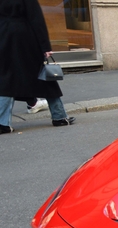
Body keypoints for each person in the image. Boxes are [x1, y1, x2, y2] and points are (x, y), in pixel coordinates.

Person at [0, 0, 75, 134]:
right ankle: (59, 116)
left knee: (7, 79)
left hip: (3, 37)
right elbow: (36, 19)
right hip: (25, 38)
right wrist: (45, 46)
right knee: (44, 78)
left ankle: (2, 123)